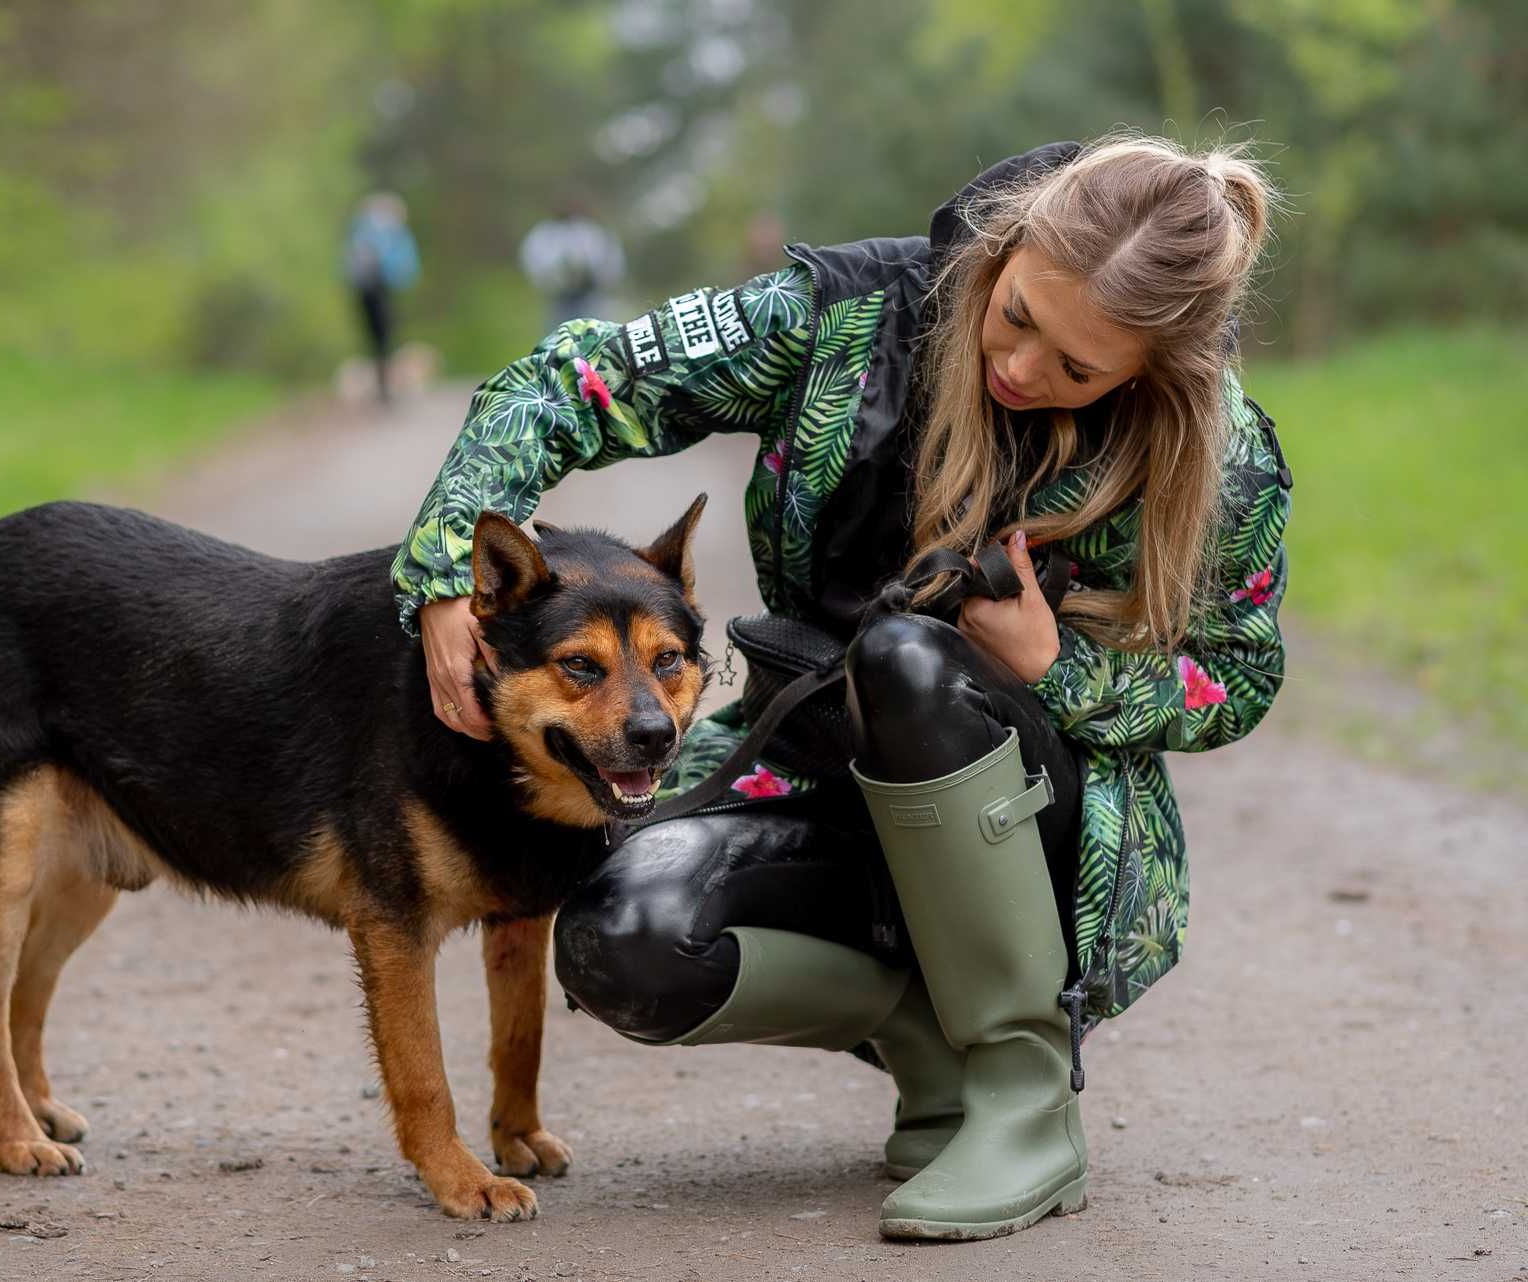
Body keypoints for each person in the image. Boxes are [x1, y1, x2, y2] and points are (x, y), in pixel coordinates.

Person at [391, 135, 1290, 1241]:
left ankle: (1023, 1089)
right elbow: (571, 382)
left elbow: (1239, 673)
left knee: (908, 658)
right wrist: (442, 572)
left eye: (1078, 369)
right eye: (1017, 317)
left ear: (1148, 372)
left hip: (1036, 832)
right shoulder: (841, 316)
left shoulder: (1213, 442)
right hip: (810, 762)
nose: (1022, 370)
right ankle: (929, 1043)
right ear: (1005, 249)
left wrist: (1057, 668)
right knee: (621, 937)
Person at [343, 192, 420, 402]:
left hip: (371, 291)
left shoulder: (362, 232)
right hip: (381, 291)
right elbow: (406, 266)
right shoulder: (390, 234)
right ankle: (387, 384)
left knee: (380, 339)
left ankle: (387, 383)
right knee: (385, 338)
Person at [518, 197, 627, 329]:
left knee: (592, 332)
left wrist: (602, 279)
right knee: (559, 334)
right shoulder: (545, 234)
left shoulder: (591, 231)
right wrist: (551, 280)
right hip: (559, 297)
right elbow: (534, 260)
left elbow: (609, 259)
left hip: (590, 295)